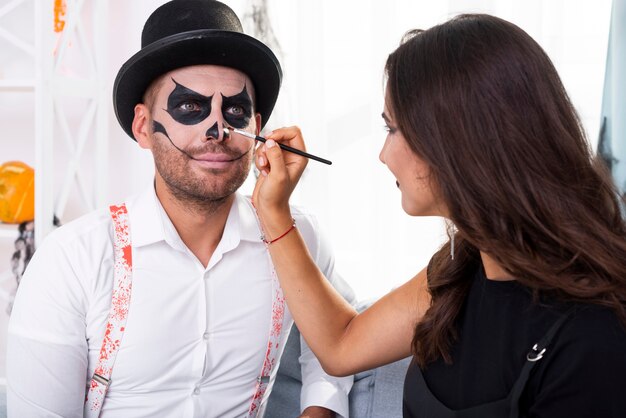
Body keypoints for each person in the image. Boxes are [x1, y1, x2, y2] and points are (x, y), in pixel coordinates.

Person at [251, 13, 626, 418]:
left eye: (391, 130)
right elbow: (341, 345)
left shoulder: (592, 338)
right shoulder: (462, 266)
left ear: (454, 141)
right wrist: (274, 210)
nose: (382, 155)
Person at [6, 1, 355, 417]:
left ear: (258, 130)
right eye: (190, 107)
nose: (218, 130)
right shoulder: (73, 260)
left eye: (236, 111)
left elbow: (336, 352)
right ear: (142, 127)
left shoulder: (297, 238)